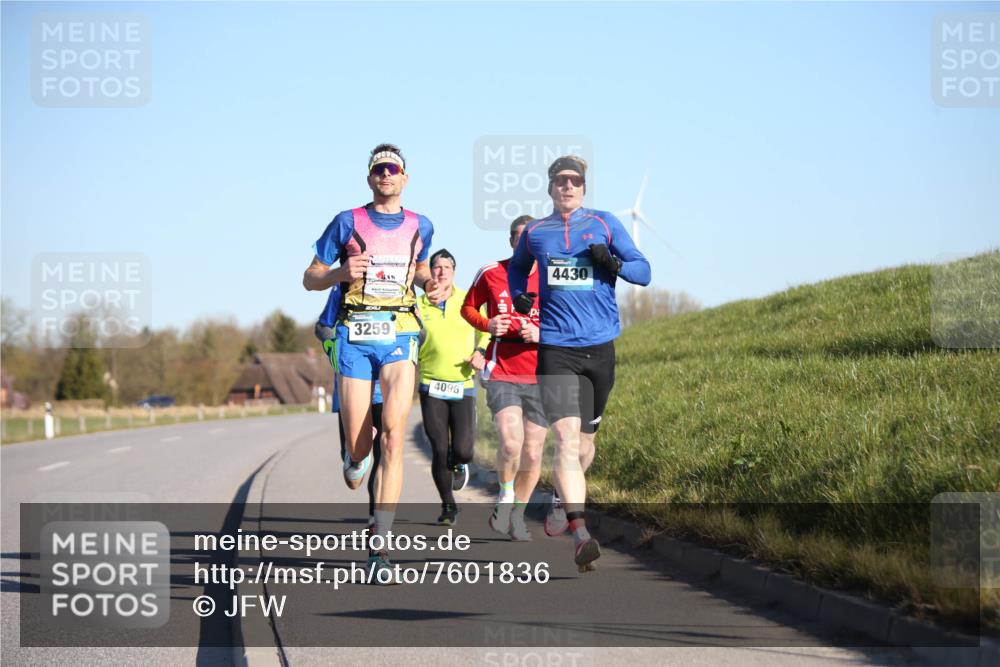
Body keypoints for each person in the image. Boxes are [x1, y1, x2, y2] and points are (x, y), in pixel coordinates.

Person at [303, 143, 441, 583]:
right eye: (379, 169)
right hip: (355, 334)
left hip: (400, 331)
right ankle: (353, 452)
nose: (386, 175)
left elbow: (421, 270)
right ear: (369, 178)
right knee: (362, 448)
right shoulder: (347, 221)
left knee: (395, 437)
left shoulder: (421, 225)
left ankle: (380, 545)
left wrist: (431, 285)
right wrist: (339, 274)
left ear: (404, 177)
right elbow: (310, 277)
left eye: (393, 169)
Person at [508, 155, 650, 572]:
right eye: (560, 181)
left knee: (586, 445)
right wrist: (519, 296)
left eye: (575, 181)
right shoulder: (536, 232)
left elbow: (644, 272)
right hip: (556, 349)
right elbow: (518, 270)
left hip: (599, 349)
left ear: (584, 188)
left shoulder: (605, 223)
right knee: (567, 442)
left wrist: (614, 264)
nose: (567, 186)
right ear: (550, 187)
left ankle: (560, 499)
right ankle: (581, 533)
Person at [462, 216, 547, 542]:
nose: (524, 243)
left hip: (542, 373)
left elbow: (570, 322)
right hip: (503, 371)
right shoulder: (491, 272)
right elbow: (468, 308)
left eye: (531, 238)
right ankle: (506, 495)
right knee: (511, 444)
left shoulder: (552, 277)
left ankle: (518, 516)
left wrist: (540, 332)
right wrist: (487, 324)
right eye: (519, 237)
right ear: (511, 241)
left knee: (533, 453)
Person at [417, 249, 489, 525]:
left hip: (463, 384)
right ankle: (448, 505)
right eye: (437, 267)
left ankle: (459, 463)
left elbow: (485, 331)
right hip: (430, 384)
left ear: (454, 272)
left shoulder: (468, 299)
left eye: (447, 267)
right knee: (439, 449)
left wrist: (480, 352)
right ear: (430, 272)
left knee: (464, 450)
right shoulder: (418, 304)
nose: (441, 272)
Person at [314, 283, 382, 529]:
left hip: (384, 389)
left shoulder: (400, 285)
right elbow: (322, 326)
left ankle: (376, 519)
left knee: (385, 454)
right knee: (353, 477)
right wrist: (330, 344)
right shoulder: (343, 286)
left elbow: (420, 330)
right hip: (351, 383)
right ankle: (355, 458)